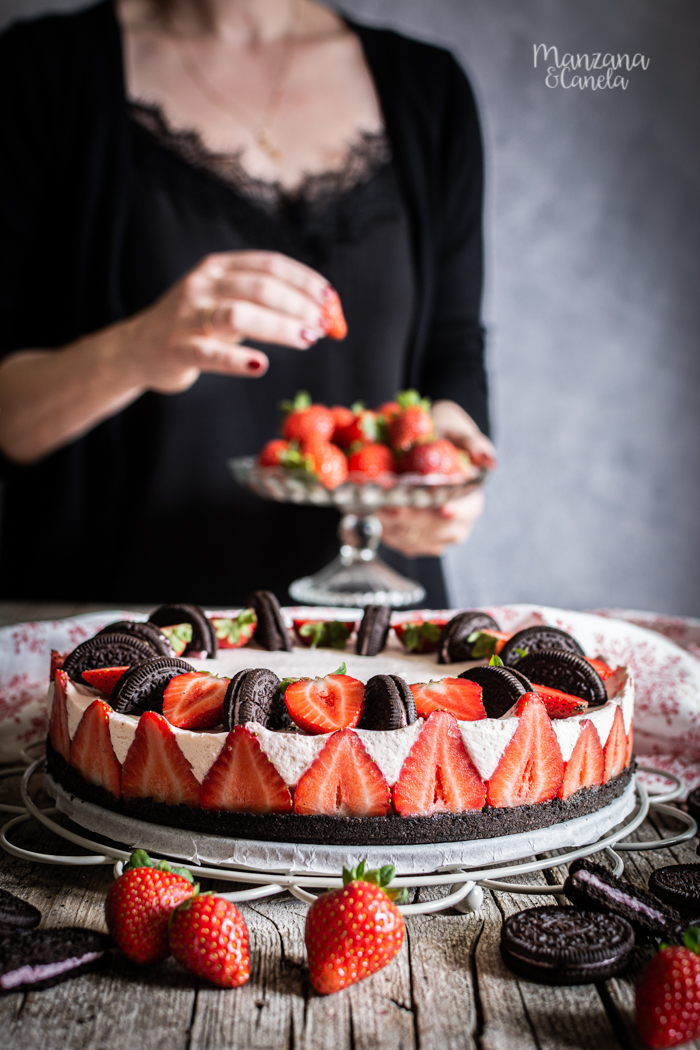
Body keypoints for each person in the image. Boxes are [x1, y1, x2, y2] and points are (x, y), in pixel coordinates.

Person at [0, 0, 496, 606]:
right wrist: (134, 350)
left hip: (369, 629)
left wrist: (446, 467)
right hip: (119, 636)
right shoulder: (40, 70)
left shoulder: (429, 87)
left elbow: (452, 352)